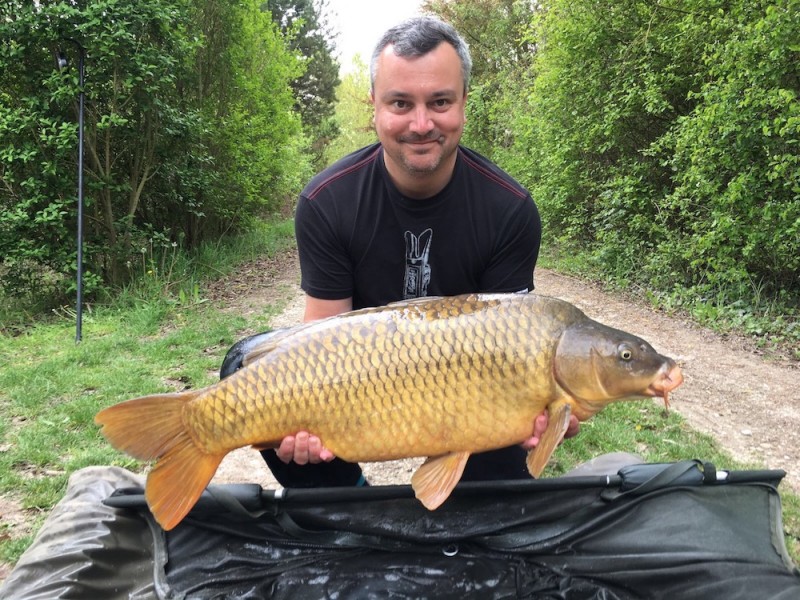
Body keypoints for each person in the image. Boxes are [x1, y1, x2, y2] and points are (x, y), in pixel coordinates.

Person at [260, 16, 580, 488]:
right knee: (247, 372)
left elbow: (515, 348)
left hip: (472, 381)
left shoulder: (510, 210)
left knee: (509, 427)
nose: (422, 123)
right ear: (373, 106)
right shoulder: (326, 201)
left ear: (464, 103)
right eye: (400, 103)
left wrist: (546, 411)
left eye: (440, 102)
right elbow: (319, 343)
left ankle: (460, 507)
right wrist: (303, 420)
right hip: (359, 374)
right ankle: (348, 506)